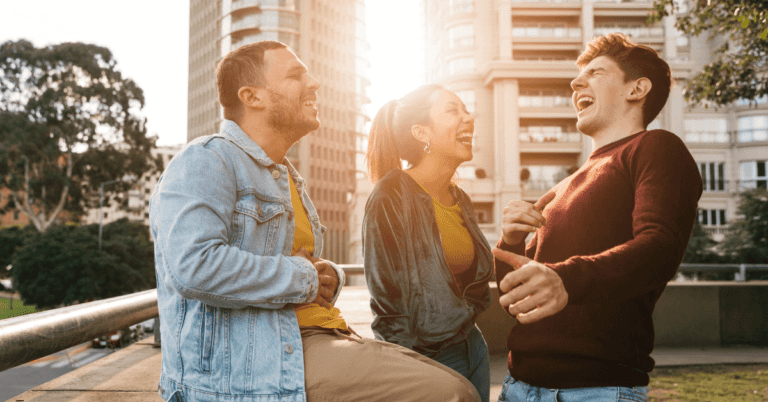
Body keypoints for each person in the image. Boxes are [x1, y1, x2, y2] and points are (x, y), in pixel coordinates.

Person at [150, 41, 480, 402]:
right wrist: (304, 277)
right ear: (252, 96)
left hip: (314, 337)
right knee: (453, 392)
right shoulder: (205, 159)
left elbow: (298, 266)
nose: (314, 83)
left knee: (450, 380)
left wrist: (328, 274)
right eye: (295, 75)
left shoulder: (287, 178)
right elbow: (193, 266)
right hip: (255, 365)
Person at [493, 33, 702, 402]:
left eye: (596, 73)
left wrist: (565, 279)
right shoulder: (563, 186)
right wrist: (510, 241)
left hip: (596, 390)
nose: (576, 84)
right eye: (579, 76)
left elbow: (660, 248)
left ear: (637, 89)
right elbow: (517, 299)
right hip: (518, 386)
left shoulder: (655, 147)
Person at [363, 84, 494, 402]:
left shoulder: (460, 198)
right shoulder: (391, 195)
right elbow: (389, 306)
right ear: (422, 132)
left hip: (473, 348)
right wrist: (406, 375)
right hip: (426, 360)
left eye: (466, 110)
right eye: (452, 110)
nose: (468, 118)